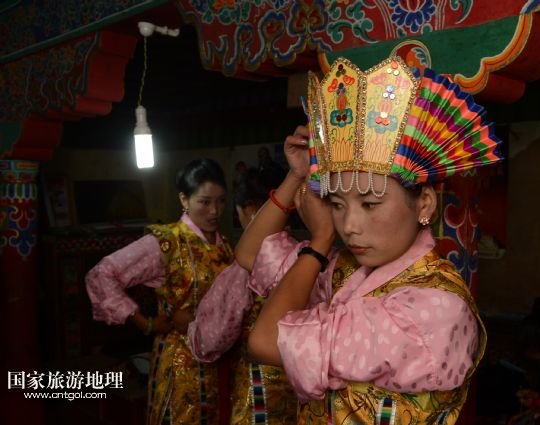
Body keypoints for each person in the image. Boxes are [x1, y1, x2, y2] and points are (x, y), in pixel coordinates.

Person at [235, 56, 503, 424]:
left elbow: (265, 341)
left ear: (424, 203)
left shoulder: (434, 307)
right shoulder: (347, 270)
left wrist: (321, 239)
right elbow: (251, 255)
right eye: (337, 204)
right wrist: (296, 176)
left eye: (370, 204)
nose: (350, 226)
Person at [85, 158, 234, 425]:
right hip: (182, 363)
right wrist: (146, 323)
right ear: (184, 199)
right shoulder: (167, 242)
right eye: (204, 202)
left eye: (221, 201)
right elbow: (103, 273)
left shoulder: (224, 245)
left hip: (221, 362)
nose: (215, 211)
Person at [189, 169, 298, 424]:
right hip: (304, 394)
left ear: (249, 210)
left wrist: (190, 328)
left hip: (260, 396)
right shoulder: (307, 255)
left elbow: (210, 339)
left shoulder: (243, 269)